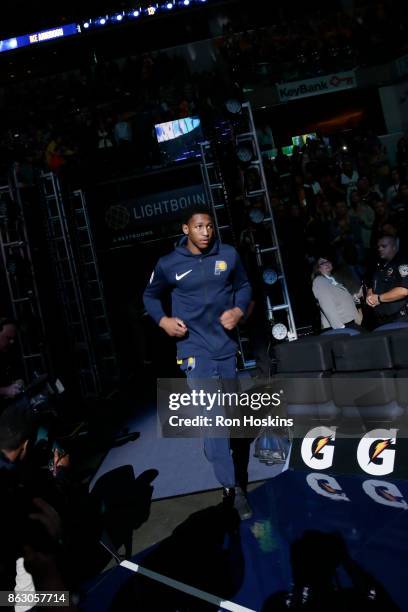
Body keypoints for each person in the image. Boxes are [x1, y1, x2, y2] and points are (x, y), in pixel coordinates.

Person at [143, 206, 253, 519]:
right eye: (198, 226)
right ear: (185, 230)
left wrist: (238, 310)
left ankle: (214, 445)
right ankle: (232, 488)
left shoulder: (229, 255)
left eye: (209, 226)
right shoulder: (168, 264)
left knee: (227, 418)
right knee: (216, 420)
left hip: (225, 347)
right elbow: (150, 296)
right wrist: (163, 320)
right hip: (193, 350)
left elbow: (244, 286)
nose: (205, 232)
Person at [366, 236, 408, 328]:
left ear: (394, 247)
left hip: (399, 319)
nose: (380, 249)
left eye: (384, 246)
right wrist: (370, 295)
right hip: (381, 320)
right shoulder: (379, 265)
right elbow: (372, 285)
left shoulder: (402, 262)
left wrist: (378, 298)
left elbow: (404, 290)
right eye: (378, 247)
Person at [312, 258, 362, 331]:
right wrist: (340, 328)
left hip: (348, 324)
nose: (327, 263)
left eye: (328, 261)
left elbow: (342, 302)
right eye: (322, 263)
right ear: (318, 268)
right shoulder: (319, 281)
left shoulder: (332, 280)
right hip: (341, 326)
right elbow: (327, 306)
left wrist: (357, 296)